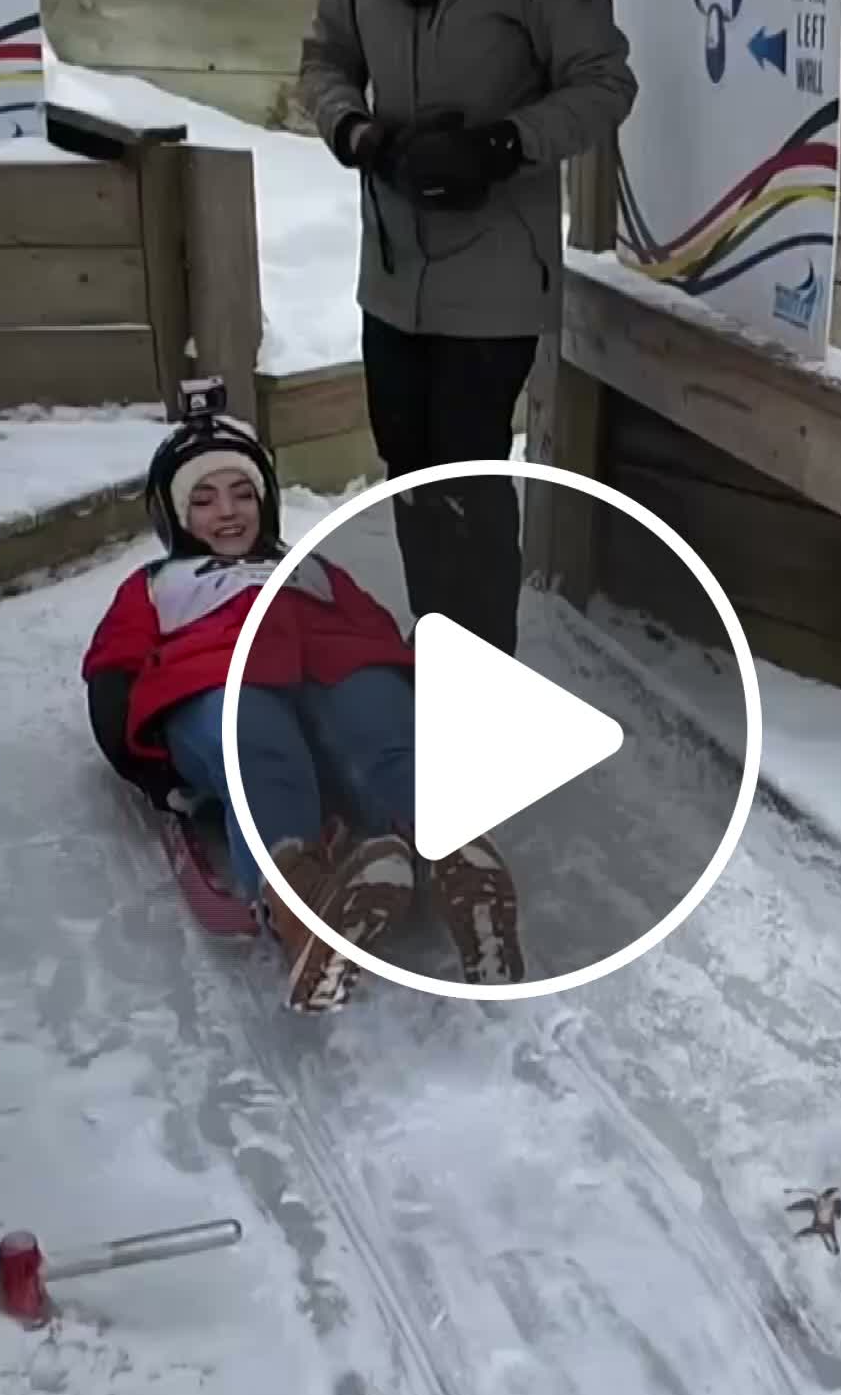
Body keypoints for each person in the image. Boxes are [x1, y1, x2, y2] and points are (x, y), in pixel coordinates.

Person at [298, 0, 637, 655]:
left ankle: (484, 675)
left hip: (492, 269)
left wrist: (501, 146)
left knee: (467, 475)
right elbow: (325, 60)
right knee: (408, 469)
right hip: (394, 268)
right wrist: (361, 133)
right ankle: (436, 648)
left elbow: (604, 83)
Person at [81, 397, 524, 1010]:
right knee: (257, 740)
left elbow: (368, 624)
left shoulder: (308, 566)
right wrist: (144, 760)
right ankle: (303, 909)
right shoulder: (157, 586)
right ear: (174, 516)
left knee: (378, 722)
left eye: (242, 492)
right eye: (203, 500)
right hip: (219, 683)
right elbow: (113, 664)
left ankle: (459, 869)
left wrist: (408, 684)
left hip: (330, 672)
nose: (228, 512)